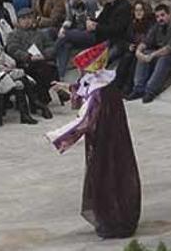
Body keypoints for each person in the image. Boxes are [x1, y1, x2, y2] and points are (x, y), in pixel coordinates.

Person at [47, 42, 140, 238]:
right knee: (114, 174)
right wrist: (65, 86)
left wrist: (58, 136)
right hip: (111, 138)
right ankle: (117, 217)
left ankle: (113, 221)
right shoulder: (103, 82)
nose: (80, 71)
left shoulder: (100, 90)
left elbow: (85, 119)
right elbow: (83, 89)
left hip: (105, 140)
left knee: (106, 177)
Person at [128, 4, 171, 103]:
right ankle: (138, 89)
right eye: (157, 17)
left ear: (169, 15)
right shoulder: (157, 27)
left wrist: (152, 56)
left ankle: (150, 91)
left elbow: (169, 49)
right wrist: (138, 51)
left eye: (162, 15)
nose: (160, 19)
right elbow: (146, 42)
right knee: (145, 52)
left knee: (164, 59)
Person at [54, 0, 101, 74]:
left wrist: (88, 22)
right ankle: (61, 74)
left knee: (66, 35)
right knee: (66, 43)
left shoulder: (90, 2)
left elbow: (94, 22)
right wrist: (63, 28)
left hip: (92, 34)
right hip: (78, 32)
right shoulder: (70, 3)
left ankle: (51, 53)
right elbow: (69, 19)